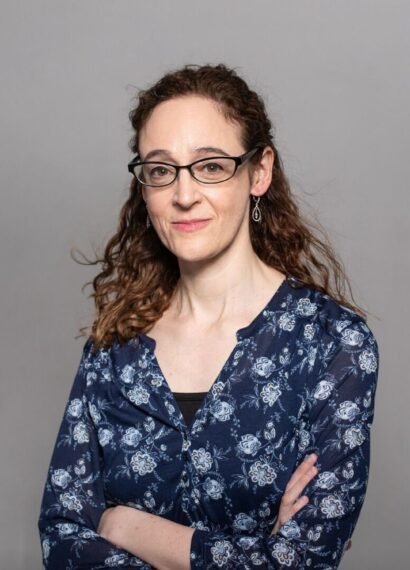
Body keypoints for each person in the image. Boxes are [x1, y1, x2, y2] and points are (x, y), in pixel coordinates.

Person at [37, 63, 379, 569]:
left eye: (211, 166)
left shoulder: (333, 343)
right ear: (144, 187)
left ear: (259, 172)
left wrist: (128, 526)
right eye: (161, 170)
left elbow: (304, 558)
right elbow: (63, 539)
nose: (183, 194)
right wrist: (257, 554)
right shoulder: (114, 348)